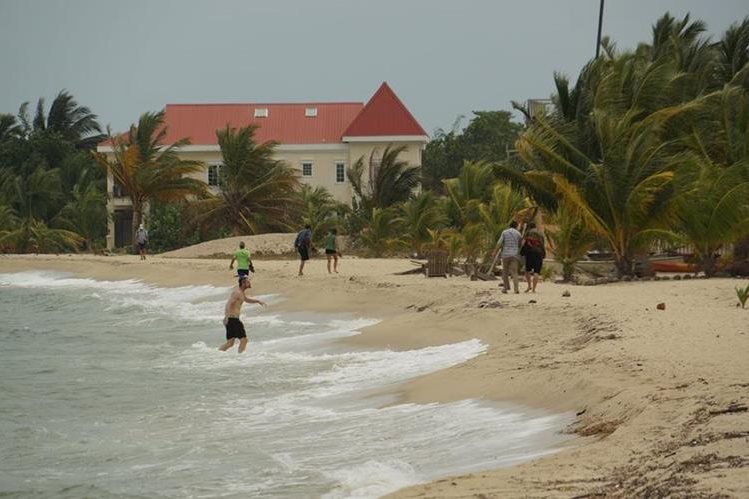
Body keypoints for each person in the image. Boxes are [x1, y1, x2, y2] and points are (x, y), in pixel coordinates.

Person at [219, 275, 266, 353]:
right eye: (248, 282)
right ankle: (241, 357)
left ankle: (218, 353)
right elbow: (228, 304)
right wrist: (226, 317)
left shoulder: (241, 293)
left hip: (232, 319)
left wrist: (258, 301)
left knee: (230, 343)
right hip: (233, 319)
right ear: (243, 283)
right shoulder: (237, 293)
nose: (250, 283)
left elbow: (246, 299)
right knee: (244, 340)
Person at [491, 221, 523, 294]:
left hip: (505, 254)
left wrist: (494, 251)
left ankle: (505, 288)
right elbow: (520, 244)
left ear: (510, 225)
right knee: (514, 272)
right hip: (514, 255)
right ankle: (516, 289)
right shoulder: (518, 233)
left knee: (505, 272)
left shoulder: (504, 232)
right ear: (516, 226)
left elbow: (499, 242)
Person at [522, 222, 546, 293]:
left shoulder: (528, 232)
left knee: (527, 270)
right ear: (535, 226)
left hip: (529, 253)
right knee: (536, 272)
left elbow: (523, 242)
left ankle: (529, 286)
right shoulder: (541, 233)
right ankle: (534, 289)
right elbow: (543, 244)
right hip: (539, 253)